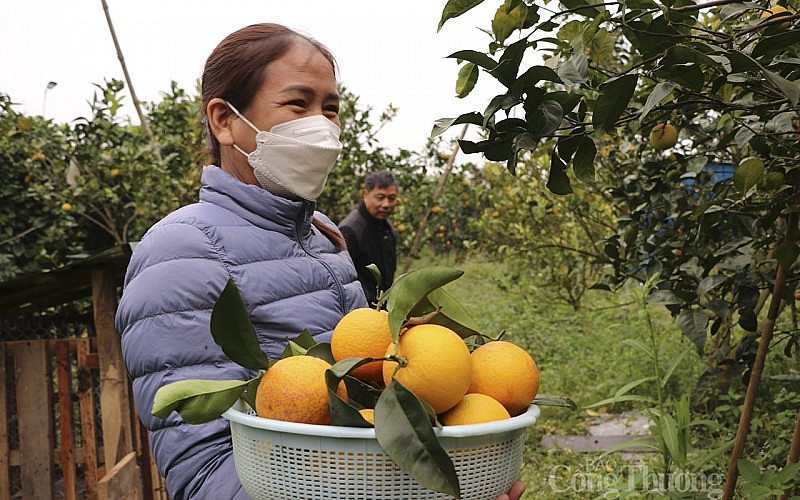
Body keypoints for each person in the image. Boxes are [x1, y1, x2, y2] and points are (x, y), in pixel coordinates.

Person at [114, 23, 525, 500]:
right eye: (298, 104)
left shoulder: (323, 234)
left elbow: (367, 388)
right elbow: (206, 474)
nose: (323, 126)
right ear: (224, 120)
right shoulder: (179, 253)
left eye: (331, 108)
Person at [339, 170, 398, 306]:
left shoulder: (387, 228)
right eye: (380, 197)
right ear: (366, 194)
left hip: (382, 307)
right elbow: (342, 279)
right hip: (361, 311)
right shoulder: (350, 230)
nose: (386, 204)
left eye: (391, 198)